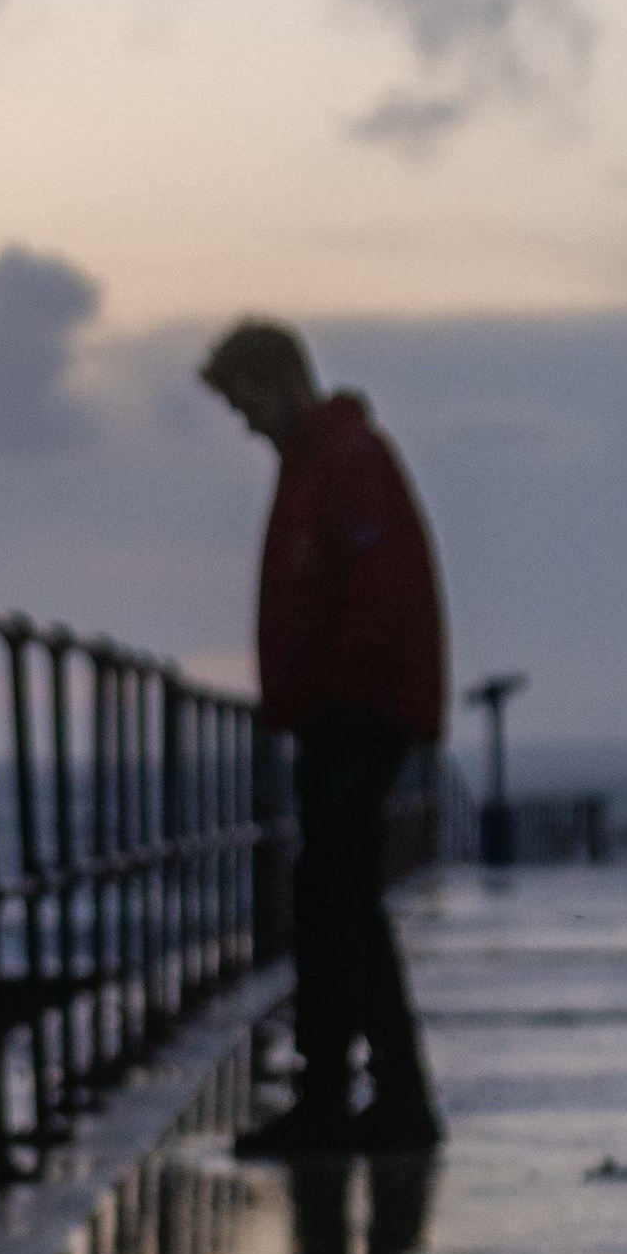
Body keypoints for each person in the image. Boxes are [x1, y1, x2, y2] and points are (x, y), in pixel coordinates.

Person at [201, 320, 447, 1157]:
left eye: (247, 405)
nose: (247, 425)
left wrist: (330, 697)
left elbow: (375, 597)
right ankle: (372, 1096)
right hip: (346, 712)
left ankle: (350, 1100)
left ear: (280, 382)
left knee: (334, 903)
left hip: (356, 714)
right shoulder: (324, 462)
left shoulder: (343, 462)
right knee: (342, 905)